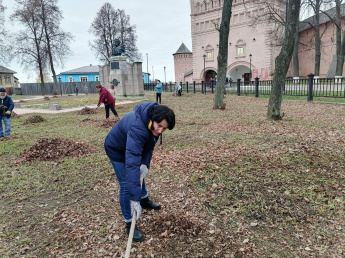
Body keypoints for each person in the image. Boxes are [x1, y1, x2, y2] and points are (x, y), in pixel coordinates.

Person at [104, 102, 175, 242]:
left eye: (164, 128)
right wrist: (133, 199)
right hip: (116, 149)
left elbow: (148, 147)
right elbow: (131, 163)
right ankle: (129, 221)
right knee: (126, 184)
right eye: (159, 126)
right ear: (152, 119)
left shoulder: (151, 124)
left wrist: (144, 163)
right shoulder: (138, 127)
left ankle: (144, 200)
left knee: (139, 173)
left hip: (130, 147)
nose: (160, 131)